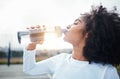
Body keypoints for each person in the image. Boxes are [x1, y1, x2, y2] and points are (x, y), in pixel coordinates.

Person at [23, 5, 120, 79]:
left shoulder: (107, 72)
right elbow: (30, 69)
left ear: (88, 33)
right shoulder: (60, 60)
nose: (68, 26)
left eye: (76, 23)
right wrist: (32, 44)